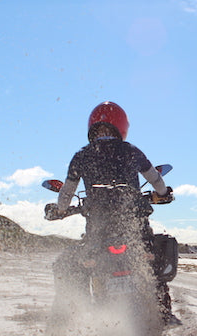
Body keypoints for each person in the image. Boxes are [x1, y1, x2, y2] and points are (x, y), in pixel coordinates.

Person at [50, 101, 177, 323]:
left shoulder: (81, 155)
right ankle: (162, 312)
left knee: (75, 261)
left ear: (92, 126)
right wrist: (164, 192)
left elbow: (67, 192)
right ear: (121, 126)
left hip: (99, 231)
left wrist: (60, 210)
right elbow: (155, 180)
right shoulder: (132, 151)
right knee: (150, 256)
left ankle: (75, 311)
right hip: (134, 229)